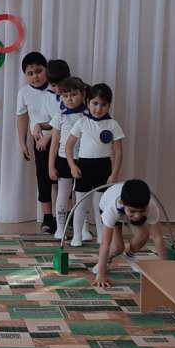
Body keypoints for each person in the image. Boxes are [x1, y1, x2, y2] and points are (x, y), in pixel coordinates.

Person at [65, 83, 125, 247]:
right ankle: (77, 236)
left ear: (109, 105)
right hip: (83, 166)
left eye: (103, 104)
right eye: (95, 103)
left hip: (103, 167)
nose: (98, 108)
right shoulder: (82, 122)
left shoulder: (113, 124)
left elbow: (118, 152)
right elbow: (69, 146)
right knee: (80, 204)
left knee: (101, 205)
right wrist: (72, 166)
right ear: (88, 102)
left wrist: (114, 173)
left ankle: (101, 236)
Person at [90, 179, 167, 288]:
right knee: (117, 248)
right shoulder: (111, 209)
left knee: (143, 235)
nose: (137, 215)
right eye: (133, 211)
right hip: (112, 209)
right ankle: (104, 262)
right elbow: (105, 244)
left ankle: (129, 255)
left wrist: (165, 268)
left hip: (126, 210)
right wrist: (101, 275)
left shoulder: (151, 206)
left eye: (142, 211)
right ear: (122, 203)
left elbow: (157, 237)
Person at [15, 52, 57, 234]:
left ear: (46, 69)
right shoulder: (24, 92)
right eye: (30, 73)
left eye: (39, 71)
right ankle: (48, 217)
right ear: (25, 75)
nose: (35, 76)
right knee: (43, 177)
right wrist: (22, 142)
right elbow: (22, 117)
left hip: (62, 138)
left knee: (64, 178)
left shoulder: (57, 89)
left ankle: (67, 216)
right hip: (40, 141)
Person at [47, 76, 87, 240]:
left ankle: (83, 229)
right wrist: (51, 166)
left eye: (74, 94)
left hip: (84, 159)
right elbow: (54, 143)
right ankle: (60, 228)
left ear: (83, 94)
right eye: (65, 96)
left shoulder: (88, 115)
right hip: (63, 160)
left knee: (82, 196)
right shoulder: (60, 117)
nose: (69, 99)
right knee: (63, 194)